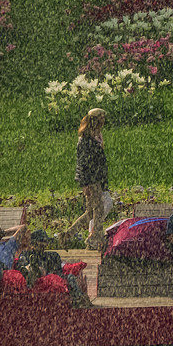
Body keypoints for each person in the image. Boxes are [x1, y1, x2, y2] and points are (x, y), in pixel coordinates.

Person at [76, 107, 109, 250]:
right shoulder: (86, 140)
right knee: (99, 210)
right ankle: (97, 239)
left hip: (97, 179)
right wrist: (85, 184)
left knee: (91, 212)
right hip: (91, 180)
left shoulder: (97, 136)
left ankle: (68, 234)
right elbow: (82, 163)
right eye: (101, 117)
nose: (103, 120)